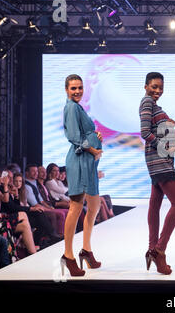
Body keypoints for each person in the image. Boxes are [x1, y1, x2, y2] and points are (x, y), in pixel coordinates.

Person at [139, 72, 175, 275]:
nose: (157, 90)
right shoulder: (147, 102)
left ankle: (152, 248)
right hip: (159, 161)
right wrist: (164, 147)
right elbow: (144, 132)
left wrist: (168, 123)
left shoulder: (153, 104)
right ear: (146, 86)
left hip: (157, 160)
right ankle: (160, 250)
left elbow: (156, 128)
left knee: (155, 204)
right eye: (154, 86)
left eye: (160, 87)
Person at [61, 74, 103, 277]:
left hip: (88, 162)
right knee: (76, 207)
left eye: (79, 88)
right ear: (67, 90)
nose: (77, 91)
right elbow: (74, 137)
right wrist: (93, 149)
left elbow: (85, 133)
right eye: (73, 88)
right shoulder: (70, 107)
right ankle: (68, 255)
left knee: (94, 206)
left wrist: (96, 136)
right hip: (79, 161)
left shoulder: (78, 107)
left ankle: (86, 250)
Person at [0, 166, 37, 258]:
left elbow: (5, 200)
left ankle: (33, 255)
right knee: (22, 214)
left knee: (24, 225)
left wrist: (5, 185)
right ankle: (11, 257)